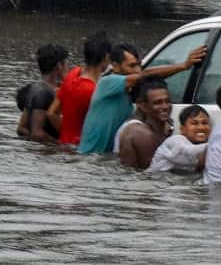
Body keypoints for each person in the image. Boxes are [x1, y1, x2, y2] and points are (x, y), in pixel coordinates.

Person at [77, 41, 208, 155]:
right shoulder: (107, 82)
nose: (137, 69)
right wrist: (184, 66)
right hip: (89, 157)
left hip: (104, 160)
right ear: (115, 66)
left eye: (139, 65)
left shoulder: (129, 93)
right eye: (132, 66)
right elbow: (144, 76)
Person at [54, 32, 110, 148]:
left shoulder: (72, 74)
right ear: (107, 58)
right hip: (81, 150)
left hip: (64, 145)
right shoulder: (94, 91)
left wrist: (68, 137)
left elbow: (52, 113)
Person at [118, 78, 174, 171]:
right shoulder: (141, 133)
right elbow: (152, 174)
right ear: (143, 106)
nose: (165, 107)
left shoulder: (165, 128)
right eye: (157, 103)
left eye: (167, 101)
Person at [25, 44, 69, 144]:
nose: (68, 67)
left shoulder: (34, 88)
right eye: (66, 64)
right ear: (59, 66)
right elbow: (37, 133)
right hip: (48, 154)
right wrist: (59, 145)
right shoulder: (44, 93)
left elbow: (21, 128)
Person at [148, 104, 211, 173]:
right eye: (194, 123)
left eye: (204, 123)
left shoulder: (205, 148)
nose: (201, 127)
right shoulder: (175, 140)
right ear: (182, 129)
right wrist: (217, 145)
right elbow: (187, 151)